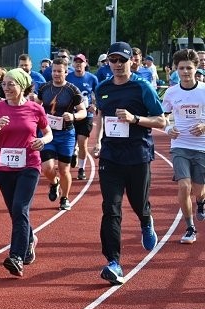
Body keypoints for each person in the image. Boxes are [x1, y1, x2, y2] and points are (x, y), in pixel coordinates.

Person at [91, 42, 166, 286]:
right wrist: (98, 142)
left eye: (122, 60)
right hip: (111, 157)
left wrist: (135, 119)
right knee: (111, 209)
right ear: (108, 63)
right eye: (113, 60)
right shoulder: (102, 88)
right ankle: (113, 262)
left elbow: (162, 121)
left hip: (137, 155)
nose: (117, 65)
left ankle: (146, 220)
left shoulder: (142, 87)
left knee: (138, 203)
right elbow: (102, 116)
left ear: (130, 61)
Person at [0, 68, 52, 276]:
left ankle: (16, 257)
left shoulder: (35, 109)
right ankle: (30, 239)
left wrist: (42, 141)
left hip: (28, 165)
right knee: (15, 212)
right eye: (4, 84)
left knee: (20, 208)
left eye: (11, 84)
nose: (6, 88)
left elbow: (48, 133)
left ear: (22, 86)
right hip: (3, 168)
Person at [161, 49, 205, 243]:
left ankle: (201, 202)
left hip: (202, 146)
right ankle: (190, 228)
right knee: (184, 186)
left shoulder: (204, 90)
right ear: (175, 70)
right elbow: (163, 116)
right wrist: (169, 127)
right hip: (180, 145)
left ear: (196, 69)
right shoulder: (171, 92)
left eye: (189, 68)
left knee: (198, 190)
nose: (185, 72)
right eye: (181, 68)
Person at [35, 58, 86, 211]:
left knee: (64, 169)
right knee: (47, 167)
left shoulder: (72, 90)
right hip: (47, 133)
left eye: (59, 71)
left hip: (66, 134)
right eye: (54, 71)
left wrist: (74, 116)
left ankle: (64, 197)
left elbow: (83, 111)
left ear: (66, 72)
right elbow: (36, 106)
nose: (56, 74)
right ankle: (54, 182)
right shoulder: (44, 88)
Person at [66, 54, 99, 179]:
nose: (78, 64)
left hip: (86, 115)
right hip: (71, 114)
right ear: (73, 64)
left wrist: (94, 105)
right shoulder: (68, 77)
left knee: (82, 141)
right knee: (70, 141)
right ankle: (73, 154)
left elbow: (99, 94)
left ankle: (81, 168)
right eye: (76, 62)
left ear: (86, 64)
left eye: (81, 62)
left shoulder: (92, 78)